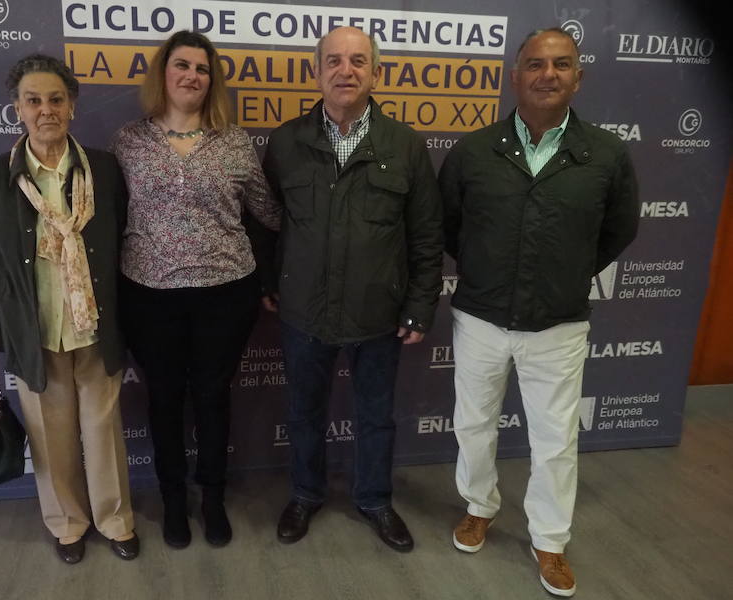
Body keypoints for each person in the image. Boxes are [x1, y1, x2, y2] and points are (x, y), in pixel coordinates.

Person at [439, 28, 639, 596]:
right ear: (515, 75)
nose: (547, 74)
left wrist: (567, 272)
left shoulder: (605, 154)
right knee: (474, 425)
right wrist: (486, 268)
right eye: (535, 64)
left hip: (559, 323)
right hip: (479, 315)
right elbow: (449, 226)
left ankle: (549, 541)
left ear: (579, 76)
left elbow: (618, 230)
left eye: (561, 64)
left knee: (554, 440)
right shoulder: (475, 151)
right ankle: (479, 506)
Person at [262, 26, 443, 553]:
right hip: (304, 313)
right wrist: (274, 283)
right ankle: (305, 494)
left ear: (375, 73)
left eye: (358, 61)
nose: (346, 71)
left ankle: (375, 500)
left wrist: (419, 305)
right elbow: (268, 222)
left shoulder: (405, 145)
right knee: (303, 413)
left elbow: (427, 236)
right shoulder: (286, 141)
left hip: (378, 314)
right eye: (335, 61)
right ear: (317, 72)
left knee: (375, 417)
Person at [111, 30, 280, 549]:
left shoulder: (235, 142)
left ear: (212, 81)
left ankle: (211, 496)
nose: (191, 76)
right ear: (163, 73)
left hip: (225, 294)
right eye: (181, 65)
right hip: (149, 295)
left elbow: (268, 215)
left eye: (202, 69)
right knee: (163, 399)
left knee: (211, 397)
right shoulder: (128, 141)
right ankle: (173, 500)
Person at [0, 54, 138, 565]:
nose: (46, 110)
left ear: (73, 106)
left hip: (95, 327)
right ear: (17, 109)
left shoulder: (103, 169)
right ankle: (67, 524)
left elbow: (128, 244)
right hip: (31, 331)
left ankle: (115, 519)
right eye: (34, 100)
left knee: (103, 431)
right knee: (49, 435)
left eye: (56, 99)